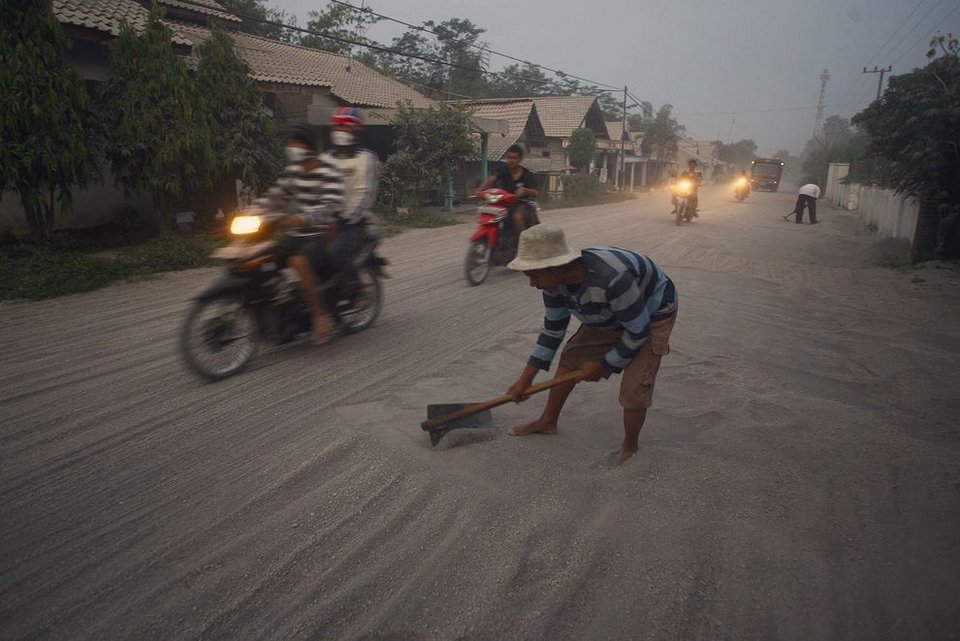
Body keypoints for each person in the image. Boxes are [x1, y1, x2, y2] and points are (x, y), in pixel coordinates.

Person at [505, 224, 679, 464]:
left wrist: (604, 364)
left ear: (555, 267)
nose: (532, 283)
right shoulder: (553, 285)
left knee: (635, 387)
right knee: (570, 359)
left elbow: (637, 331)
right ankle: (548, 421)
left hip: (651, 311)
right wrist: (525, 379)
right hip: (608, 310)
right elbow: (552, 331)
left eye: (534, 275)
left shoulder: (612, 278)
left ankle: (630, 446)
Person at [259, 124, 345, 344]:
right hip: (297, 233)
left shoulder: (328, 173)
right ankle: (282, 303)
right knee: (264, 257)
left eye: (295, 142)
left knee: (298, 260)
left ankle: (320, 316)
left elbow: (330, 207)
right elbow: (274, 197)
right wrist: (250, 212)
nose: (291, 147)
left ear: (307, 147)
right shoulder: (293, 172)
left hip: (320, 233)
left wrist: (302, 218)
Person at [318, 106, 379, 300]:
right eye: (337, 126)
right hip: (322, 221)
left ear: (356, 131)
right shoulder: (324, 159)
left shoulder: (365, 158)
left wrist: (343, 221)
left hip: (354, 223)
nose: (341, 131)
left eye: (346, 127)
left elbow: (365, 194)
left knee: (335, 251)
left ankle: (351, 286)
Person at [478, 144, 540, 236]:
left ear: (520, 159)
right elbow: (491, 180)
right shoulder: (502, 170)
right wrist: (479, 191)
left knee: (517, 217)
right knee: (489, 215)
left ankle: (521, 242)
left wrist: (525, 190)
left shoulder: (527, 174)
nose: (511, 160)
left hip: (521, 204)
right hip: (503, 203)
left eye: (514, 158)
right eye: (509, 157)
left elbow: (536, 192)